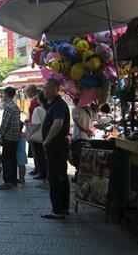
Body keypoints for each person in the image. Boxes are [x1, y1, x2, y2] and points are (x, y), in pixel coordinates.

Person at [41, 78, 71, 220]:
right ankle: (62, 208)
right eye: (44, 88)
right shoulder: (54, 104)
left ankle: (58, 210)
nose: (45, 91)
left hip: (57, 144)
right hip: (58, 144)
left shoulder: (58, 104)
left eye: (47, 88)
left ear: (56, 89)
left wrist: (47, 140)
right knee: (61, 175)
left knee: (55, 177)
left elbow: (58, 123)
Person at [0, 86, 21, 190]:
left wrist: (0, 136)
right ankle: (13, 180)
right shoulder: (15, 107)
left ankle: (8, 181)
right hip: (15, 137)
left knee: (6, 159)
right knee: (13, 158)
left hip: (8, 137)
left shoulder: (9, 107)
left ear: (6, 94)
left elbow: (4, 124)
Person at [70, 98, 96, 183]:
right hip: (87, 138)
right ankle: (82, 176)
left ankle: (79, 176)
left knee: (77, 158)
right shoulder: (88, 109)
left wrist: (86, 130)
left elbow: (77, 121)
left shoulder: (75, 109)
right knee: (84, 158)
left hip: (79, 137)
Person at [27, 91, 48, 186]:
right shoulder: (50, 109)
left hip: (38, 138)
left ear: (39, 100)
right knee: (47, 159)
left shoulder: (38, 110)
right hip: (48, 137)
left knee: (40, 159)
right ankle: (47, 178)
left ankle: (44, 180)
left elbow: (36, 125)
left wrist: (29, 135)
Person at [25, 85, 40, 176]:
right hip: (33, 125)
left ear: (31, 91)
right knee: (35, 150)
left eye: (27, 91)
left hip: (34, 127)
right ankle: (37, 167)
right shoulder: (35, 100)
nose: (26, 93)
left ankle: (38, 168)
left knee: (36, 150)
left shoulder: (35, 101)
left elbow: (35, 116)